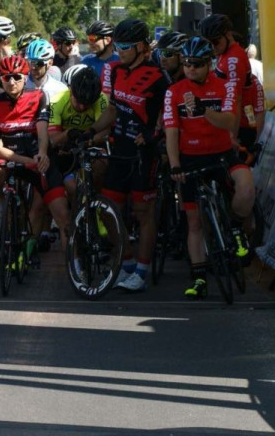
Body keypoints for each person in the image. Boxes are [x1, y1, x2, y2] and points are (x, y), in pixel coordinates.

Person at [163, 36, 255, 300]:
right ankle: (199, 276)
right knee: (194, 223)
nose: (191, 69)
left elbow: (229, 122)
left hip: (222, 153)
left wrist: (204, 110)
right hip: (190, 158)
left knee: (247, 187)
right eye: (187, 63)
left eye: (198, 64)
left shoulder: (224, 86)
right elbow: (171, 132)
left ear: (209, 63)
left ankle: (236, 229)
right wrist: (175, 165)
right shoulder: (175, 92)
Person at [88, 19, 169, 292]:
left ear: (142, 47)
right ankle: (128, 261)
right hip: (119, 148)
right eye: (117, 44)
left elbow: (167, 117)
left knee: (143, 212)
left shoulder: (159, 78)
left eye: (126, 46)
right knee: (108, 210)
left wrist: (152, 136)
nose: (119, 50)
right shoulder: (113, 71)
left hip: (144, 152)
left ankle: (142, 271)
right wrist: (89, 131)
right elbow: (111, 110)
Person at [0, 55, 71, 256]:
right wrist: (26, 161)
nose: (11, 82)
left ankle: (73, 268)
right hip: (11, 159)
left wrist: (41, 154)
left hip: (37, 159)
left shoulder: (39, 96)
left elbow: (42, 131)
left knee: (63, 215)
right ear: (0, 80)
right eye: (6, 78)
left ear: (25, 77)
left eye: (16, 77)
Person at [201, 14, 264, 153]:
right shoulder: (225, 54)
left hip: (239, 127)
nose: (212, 47)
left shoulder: (233, 60)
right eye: (208, 43)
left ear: (228, 35)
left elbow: (236, 99)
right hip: (233, 123)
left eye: (216, 42)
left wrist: (232, 136)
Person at [48, 65, 109, 201]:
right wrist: (67, 135)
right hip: (65, 149)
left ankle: (96, 204)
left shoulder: (101, 99)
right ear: (70, 92)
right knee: (71, 186)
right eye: (78, 102)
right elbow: (53, 140)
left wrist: (87, 141)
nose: (82, 107)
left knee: (103, 161)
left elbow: (105, 132)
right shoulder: (57, 101)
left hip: (89, 144)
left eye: (88, 104)